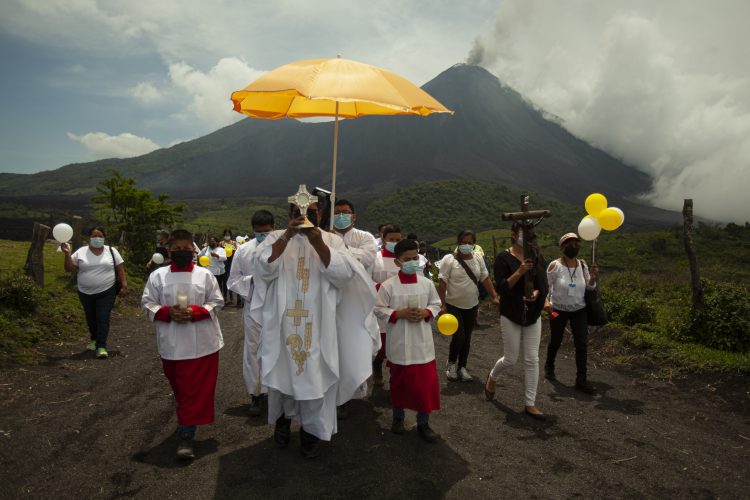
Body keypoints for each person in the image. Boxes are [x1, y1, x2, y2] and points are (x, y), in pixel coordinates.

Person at [252, 195, 374, 458]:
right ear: (289, 214)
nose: (304, 215)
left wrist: (317, 241)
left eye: (311, 211)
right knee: (282, 371)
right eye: (298, 211)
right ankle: (283, 422)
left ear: (320, 215)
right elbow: (264, 268)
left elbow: (343, 275)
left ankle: (311, 431)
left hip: (318, 324)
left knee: (316, 376)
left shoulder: (332, 240)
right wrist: (287, 235)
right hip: (283, 322)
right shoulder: (276, 237)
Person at [141, 229, 224, 460]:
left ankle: (186, 435)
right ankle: (186, 420)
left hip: (202, 343)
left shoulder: (204, 275)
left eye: (186, 249)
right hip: (172, 344)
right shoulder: (158, 276)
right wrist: (167, 313)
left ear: (193, 251)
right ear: (169, 251)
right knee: (181, 388)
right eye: (177, 249)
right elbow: (147, 304)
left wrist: (195, 312)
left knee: (193, 390)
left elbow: (217, 303)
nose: (181, 253)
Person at [374, 239, 442, 442]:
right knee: (400, 383)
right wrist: (398, 313)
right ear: (397, 262)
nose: (412, 262)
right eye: (407, 259)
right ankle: (398, 417)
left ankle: (424, 422)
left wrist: (427, 312)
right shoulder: (388, 286)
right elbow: (378, 308)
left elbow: (437, 303)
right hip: (400, 341)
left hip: (422, 343)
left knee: (425, 385)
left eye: (415, 258)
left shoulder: (427, 283)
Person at [484, 222, 549, 419]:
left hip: (532, 313)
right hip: (511, 313)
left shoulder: (536, 256)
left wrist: (537, 293)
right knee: (511, 359)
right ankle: (492, 376)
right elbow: (502, 288)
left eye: (529, 235)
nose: (526, 238)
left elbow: (542, 283)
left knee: (532, 358)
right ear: (513, 235)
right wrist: (520, 271)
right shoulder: (503, 258)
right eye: (522, 234)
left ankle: (530, 403)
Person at [331, 198, 380, 417]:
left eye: (345, 212)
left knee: (357, 347)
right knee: (334, 349)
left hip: (358, 303)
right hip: (332, 302)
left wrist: (338, 253)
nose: (341, 216)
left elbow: (366, 259)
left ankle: (353, 389)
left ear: (354, 216)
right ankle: (336, 396)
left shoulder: (365, 237)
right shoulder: (327, 237)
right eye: (337, 212)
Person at [227, 210, 275, 416]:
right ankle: (256, 394)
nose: (262, 236)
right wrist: (251, 280)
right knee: (253, 351)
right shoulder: (244, 251)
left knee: (277, 349)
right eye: (258, 232)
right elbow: (233, 280)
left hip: (278, 306)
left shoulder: (284, 248)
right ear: (253, 230)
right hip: (253, 306)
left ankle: (277, 393)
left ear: (273, 228)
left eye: (266, 232)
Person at [438, 230, 500, 382]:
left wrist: (494, 297)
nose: (467, 245)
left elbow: (485, 279)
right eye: (464, 242)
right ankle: (452, 363)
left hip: (471, 305)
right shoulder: (449, 259)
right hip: (453, 304)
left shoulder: (478, 258)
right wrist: (442, 304)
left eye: (470, 243)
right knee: (459, 336)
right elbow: (442, 282)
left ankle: (462, 367)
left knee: (467, 338)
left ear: (474, 244)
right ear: (458, 242)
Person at [62, 226, 128, 359]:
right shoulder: (81, 252)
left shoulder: (111, 251)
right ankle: (94, 338)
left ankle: (101, 346)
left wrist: (124, 285)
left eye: (100, 236)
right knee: (91, 317)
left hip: (107, 291)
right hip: (85, 292)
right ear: (88, 238)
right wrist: (67, 254)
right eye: (94, 236)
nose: (97, 238)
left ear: (104, 238)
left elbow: (120, 269)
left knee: (102, 317)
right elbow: (69, 269)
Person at [544, 233, 598, 393]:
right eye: (569, 243)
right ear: (562, 247)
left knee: (581, 343)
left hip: (579, 309)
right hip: (558, 310)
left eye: (576, 242)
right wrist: (547, 303)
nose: (574, 245)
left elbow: (589, 287)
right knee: (556, 340)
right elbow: (546, 288)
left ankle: (581, 379)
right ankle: (549, 366)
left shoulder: (582, 265)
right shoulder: (555, 266)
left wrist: (593, 278)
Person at [371, 224, 403, 386]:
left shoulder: (405, 259)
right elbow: (366, 279)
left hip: (400, 308)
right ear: (383, 240)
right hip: (380, 308)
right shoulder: (375, 258)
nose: (395, 242)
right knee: (382, 346)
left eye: (398, 239)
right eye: (392, 240)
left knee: (397, 345)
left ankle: (394, 379)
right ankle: (377, 363)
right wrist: (378, 287)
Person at [221, 228, 239, 306]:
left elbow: (238, 251)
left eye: (228, 234)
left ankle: (231, 298)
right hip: (224, 263)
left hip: (232, 263)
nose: (227, 236)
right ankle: (225, 298)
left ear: (230, 235)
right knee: (224, 281)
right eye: (226, 234)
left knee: (231, 280)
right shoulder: (221, 243)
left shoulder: (234, 243)